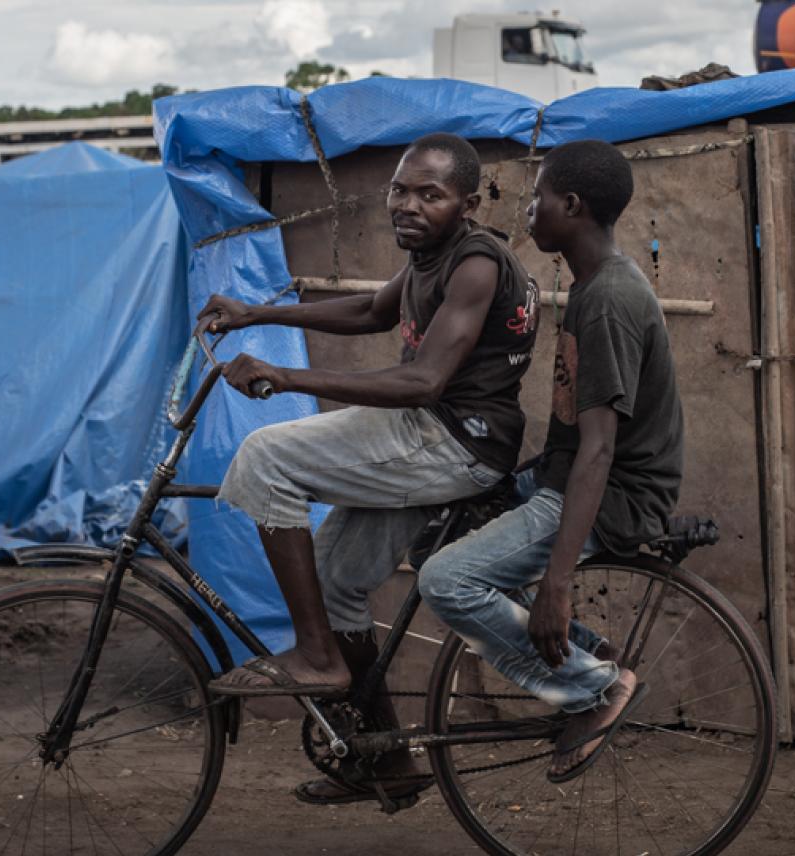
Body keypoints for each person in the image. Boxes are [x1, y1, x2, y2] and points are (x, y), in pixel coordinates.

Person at [197, 132, 540, 804]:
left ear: (467, 202)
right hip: (427, 436)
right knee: (331, 579)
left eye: (429, 194)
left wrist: (287, 375)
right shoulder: (427, 258)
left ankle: (317, 656)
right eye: (400, 189)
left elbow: (422, 383)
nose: (407, 204)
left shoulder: (475, 265)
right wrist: (255, 314)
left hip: (452, 440)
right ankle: (387, 761)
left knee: (266, 455)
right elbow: (370, 310)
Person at [417, 139, 683, 783]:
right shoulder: (592, 286)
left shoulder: (611, 301)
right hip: (568, 475)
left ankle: (595, 687)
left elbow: (598, 449)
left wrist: (557, 586)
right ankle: (591, 657)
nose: (528, 210)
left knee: (446, 580)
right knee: (442, 524)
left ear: (570, 204)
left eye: (537, 197)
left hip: (612, 493)